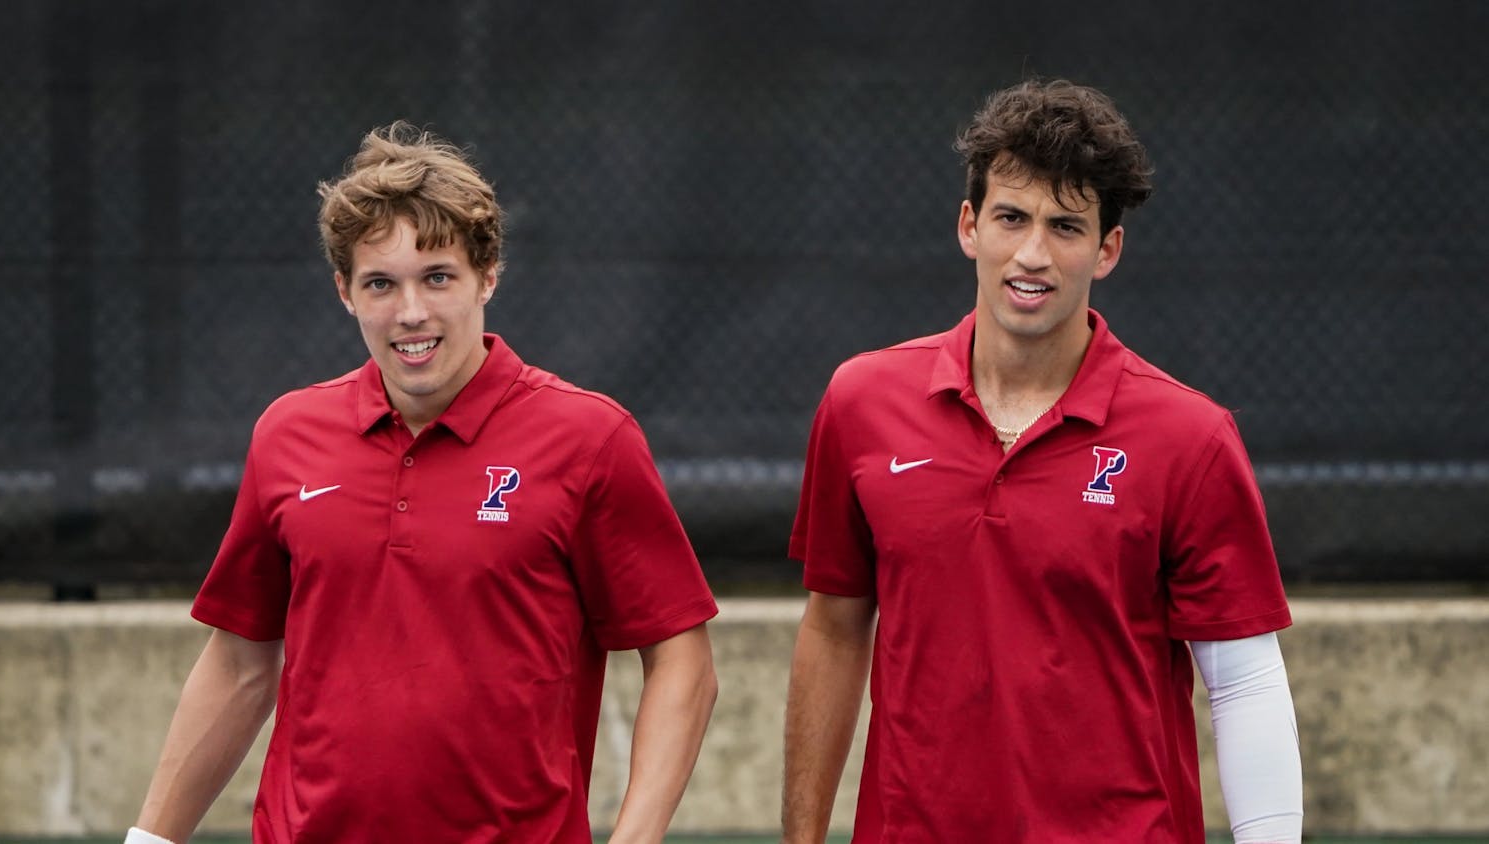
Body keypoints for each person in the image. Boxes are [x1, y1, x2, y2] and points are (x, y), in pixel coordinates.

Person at [126, 122, 719, 843]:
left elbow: (682, 661)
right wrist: (150, 839)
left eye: (438, 277)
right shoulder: (287, 434)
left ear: (488, 276)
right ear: (345, 291)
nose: (411, 312)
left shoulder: (590, 438)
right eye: (381, 283)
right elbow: (240, 661)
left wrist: (635, 837)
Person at [782, 79, 1303, 843]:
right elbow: (832, 629)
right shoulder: (862, 400)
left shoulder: (1190, 435)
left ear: (1108, 248)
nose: (1033, 253)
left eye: (1066, 226)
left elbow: (1245, 681)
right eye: (1011, 218)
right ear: (969, 226)